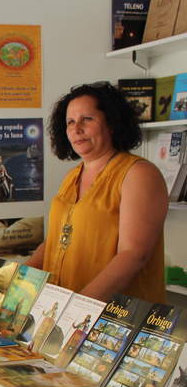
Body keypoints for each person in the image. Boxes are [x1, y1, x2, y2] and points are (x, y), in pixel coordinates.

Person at [26, 82, 168, 303]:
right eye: (70, 122)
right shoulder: (72, 176)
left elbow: (134, 255)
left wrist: (79, 307)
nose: (76, 128)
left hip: (114, 318)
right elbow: (56, 240)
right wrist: (15, 281)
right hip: (62, 309)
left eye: (87, 119)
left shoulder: (139, 174)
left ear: (112, 123)